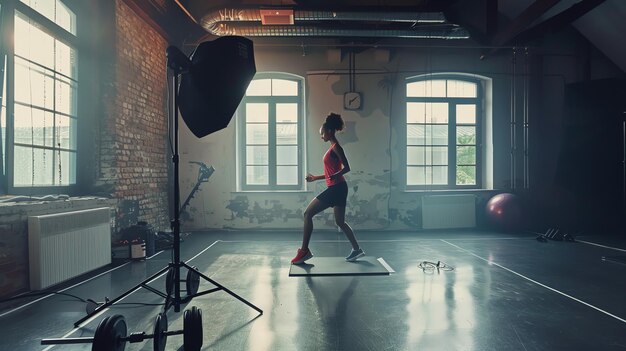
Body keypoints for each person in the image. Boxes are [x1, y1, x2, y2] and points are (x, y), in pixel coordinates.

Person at [291, 113, 365, 264]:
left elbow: (347, 168)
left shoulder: (336, 147)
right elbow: (330, 174)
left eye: (322, 133)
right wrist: (315, 178)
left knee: (307, 214)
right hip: (338, 187)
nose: (321, 136)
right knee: (340, 222)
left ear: (329, 131)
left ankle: (304, 251)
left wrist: (335, 175)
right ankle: (357, 250)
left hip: (337, 188)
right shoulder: (332, 148)